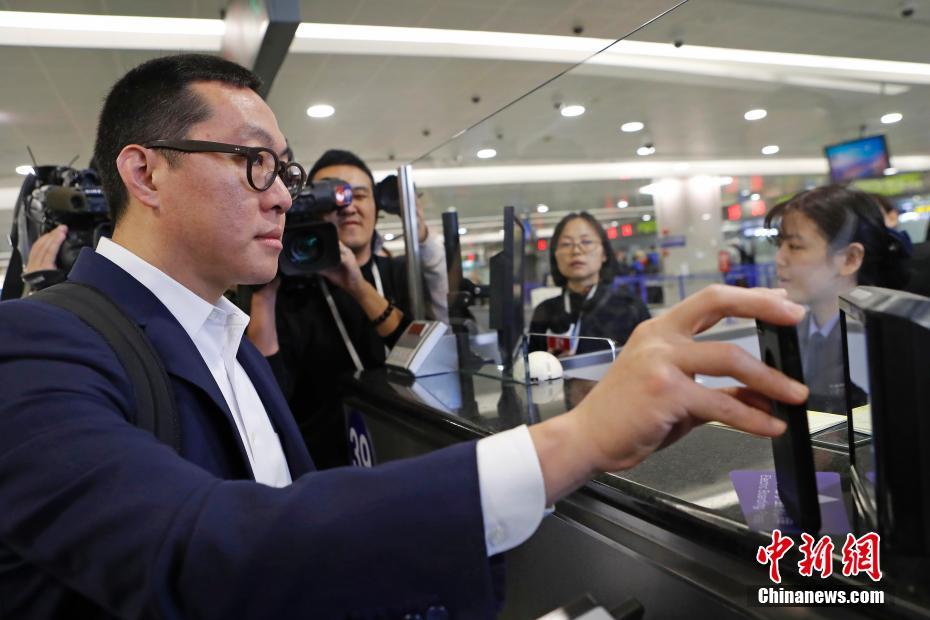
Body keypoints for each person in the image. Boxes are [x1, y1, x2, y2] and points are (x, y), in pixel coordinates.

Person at [0, 53, 808, 618]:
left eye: (287, 172)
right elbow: (200, 550)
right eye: (254, 163)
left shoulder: (225, 333)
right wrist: (574, 439)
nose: (284, 197)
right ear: (144, 173)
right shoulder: (37, 347)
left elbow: (296, 525)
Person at [246, 149, 446, 467]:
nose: (348, 205)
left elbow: (433, 361)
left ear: (377, 209)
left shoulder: (403, 274)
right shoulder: (293, 287)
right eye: (335, 195)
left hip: (413, 453)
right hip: (327, 471)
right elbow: (267, 395)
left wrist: (357, 286)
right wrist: (264, 293)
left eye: (360, 195)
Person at [766, 185, 910, 413]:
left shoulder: (887, 345)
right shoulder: (791, 331)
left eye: (795, 246)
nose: (779, 258)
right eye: (780, 244)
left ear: (850, 259)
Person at [529, 212, 650, 356]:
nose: (576, 250)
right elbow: (531, 369)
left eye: (586, 242)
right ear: (555, 255)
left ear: (604, 253)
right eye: (566, 244)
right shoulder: (544, 312)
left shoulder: (630, 307)